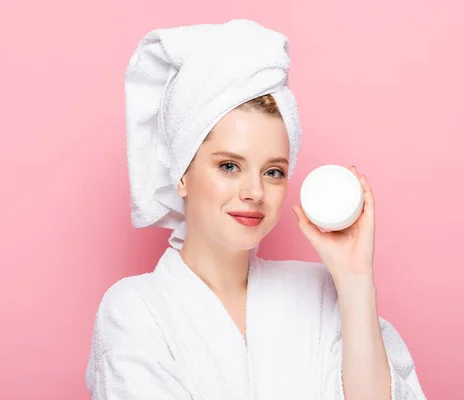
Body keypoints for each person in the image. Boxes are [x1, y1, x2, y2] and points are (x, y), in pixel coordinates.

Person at [85, 19, 427, 400]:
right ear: (181, 173)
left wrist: (355, 280)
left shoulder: (321, 293)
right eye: (229, 166)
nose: (255, 192)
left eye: (274, 171)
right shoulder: (134, 309)